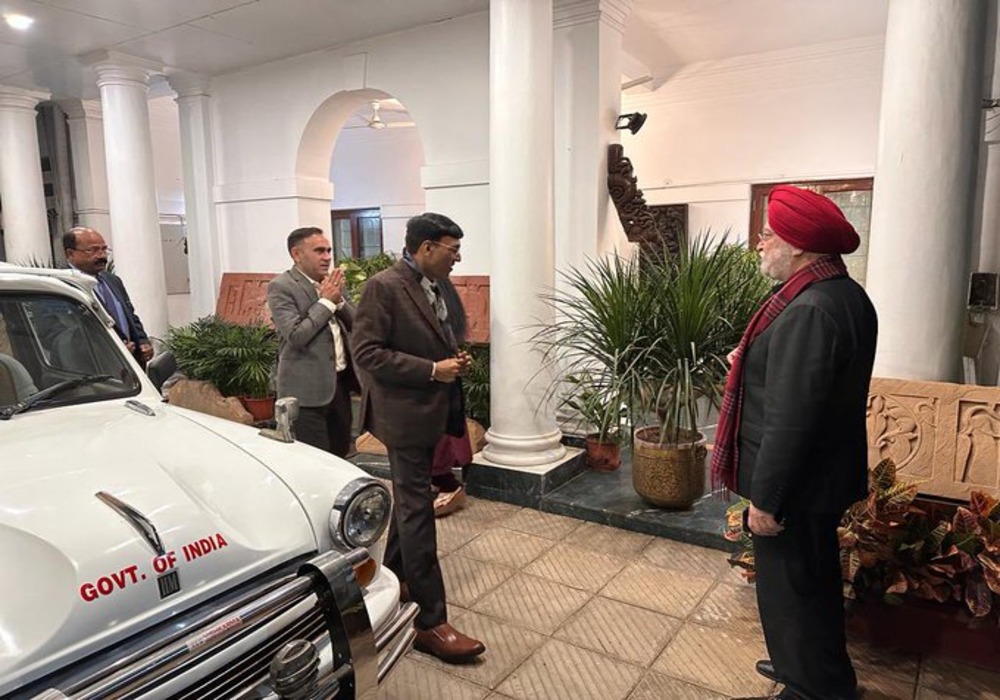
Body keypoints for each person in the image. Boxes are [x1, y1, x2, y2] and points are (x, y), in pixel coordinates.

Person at [712, 186, 878, 700]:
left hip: (798, 485)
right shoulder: (841, 295)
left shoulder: (809, 309)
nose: (760, 245)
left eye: (768, 235)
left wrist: (766, 499)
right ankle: (804, 666)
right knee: (810, 585)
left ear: (799, 245)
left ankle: (812, 686)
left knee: (796, 592)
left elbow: (791, 418)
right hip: (819, 478)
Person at [351, 212, 485, 663]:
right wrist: (432, 370)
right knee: (417, 513)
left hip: (431, 410)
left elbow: (432, 338)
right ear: (425, 247)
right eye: (452, 249)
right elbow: (367, 353)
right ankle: (431, 622)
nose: (458, 257)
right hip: (404, 418)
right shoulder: (383, 287)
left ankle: (390, 579)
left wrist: (450, 361)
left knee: (412, 506)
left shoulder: (435, 285)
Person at [267, 227, 355, 457]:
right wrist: (326, 303)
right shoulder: (282, 286)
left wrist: (340, 302)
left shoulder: (332, 283)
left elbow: (357, 324)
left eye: (329, 250)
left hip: (339, 385)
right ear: (297, 254)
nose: (327, 257)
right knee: (316, 458)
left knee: (340, 452)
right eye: (319, 251)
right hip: (305, 391)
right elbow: (296, 335)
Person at [64, 227, 154, 367]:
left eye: (104, 249)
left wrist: (143, 341)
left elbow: (130, 316)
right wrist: (112, 351)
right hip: (98, 371)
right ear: (70, 254)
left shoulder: (113, 281)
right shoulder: (63, 287)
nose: (101, 256)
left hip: (132, 368)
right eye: (92, 250)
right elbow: (63, 337)